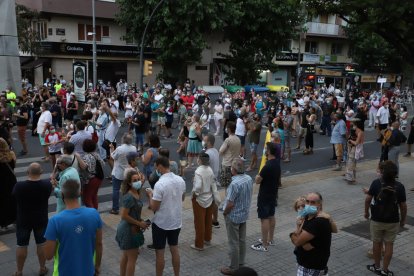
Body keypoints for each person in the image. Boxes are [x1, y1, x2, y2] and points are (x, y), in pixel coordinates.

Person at [43, 179, 103, 276]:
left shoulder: (54, 221)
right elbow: (99, 244)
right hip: (88, 271)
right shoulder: (94, 214)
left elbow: (48, 255)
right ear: (80, 193)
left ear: (62, 195)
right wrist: (97, 266)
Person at [365, 161, 407, 276]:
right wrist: (403, 220)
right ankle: (385, 270)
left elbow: (368, 199)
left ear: (382, 172)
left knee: (376, 243)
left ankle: (377, 267)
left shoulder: (376, 183)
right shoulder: (400, 186)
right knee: (389, 244)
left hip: (377, 219)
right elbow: (403, 206)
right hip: (393, 221)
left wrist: (366, 213)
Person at [145, 157, 186, 276]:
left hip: (161, 223)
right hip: (176, 221)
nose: (155, 170)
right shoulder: (180, 180)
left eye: (155, 167)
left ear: (160, 166)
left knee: (160, 253)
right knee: (174, 249)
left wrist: (150, 194)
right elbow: (182, 198)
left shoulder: (160, 184)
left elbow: (154, 207)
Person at [12, 163, 52, 276]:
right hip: (41, 219)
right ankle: (42, 268)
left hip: (23, 219)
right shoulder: (47, 185)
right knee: (41, 244)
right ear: (41, 172)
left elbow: (14, 196)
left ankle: (19, 271)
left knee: (21, 245)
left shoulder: (19, 186)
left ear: (27, 172)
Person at [220, 158, 253, 275]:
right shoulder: (249, 178)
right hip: (244, 214)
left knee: (233, 242)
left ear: (233, 169)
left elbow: (230, 203)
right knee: (242, 240)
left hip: (233, 216)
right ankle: (241, 263)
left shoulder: (234, 183)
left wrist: (224, 212)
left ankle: (233, 267)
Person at [290, 192, 332, 276]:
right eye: (307, 202)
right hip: (308, 265)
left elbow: (297, 242)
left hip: (311, 268)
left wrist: (291, 235)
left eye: (312, 202)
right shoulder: (307, 217)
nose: (308, 205)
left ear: (319, 204)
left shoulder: (318, 221)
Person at [116, 169, 149, 276]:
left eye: (139, 179)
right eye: (135, 180)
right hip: (128, 231)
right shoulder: (129, 196)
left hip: (130, 228)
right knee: (132, 259)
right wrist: (139, 223)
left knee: (126, 256)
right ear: (129, 183)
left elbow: (133, 214)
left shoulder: (136, 192)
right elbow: (124, 215)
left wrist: (140, 221)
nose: (138, 181)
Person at [251, 142, 280, 252]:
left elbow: (258, 181)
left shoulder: (267, 166)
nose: (264, 150)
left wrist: (257, 177)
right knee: (271, 216)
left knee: (264, 219)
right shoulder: (277, 164)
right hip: (273, 194)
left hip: (264, 195)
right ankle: (270, 239)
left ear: (268, 151)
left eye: (266, 149)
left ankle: (264, 244)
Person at [191, 153, 217, 251]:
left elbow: (197, 186)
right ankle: (207, 239)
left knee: (199, 222)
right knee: (208, 220)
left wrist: (194, 193)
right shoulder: (209, 169)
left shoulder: (198, 171)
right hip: (209, 197)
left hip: (200, 199)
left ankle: (199, 244)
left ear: (200, 160)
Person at [110, 133, 137, 215]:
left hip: (118, 172)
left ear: (123, 139)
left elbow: (113, 157)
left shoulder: (120, 148)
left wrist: (111, 149)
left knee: (116, 190)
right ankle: (128, 207)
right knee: (128, 190)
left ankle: (115, 208)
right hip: (128, 172)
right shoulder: (134, 148)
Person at [79, 139, 105, 209]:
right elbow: (103, 163)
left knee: (87, 198)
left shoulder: (86, 157)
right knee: (94, 196)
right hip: (99, 178)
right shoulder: (96, 154)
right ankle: (95, 213)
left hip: (91, 179)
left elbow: (85, 167)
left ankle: (92, 215)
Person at [203, 134, 220, 228]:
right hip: (215, 179)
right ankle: (215, 220)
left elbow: (203, 167)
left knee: (208, 202)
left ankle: (208, 222)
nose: (203, 142)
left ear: (209, 142)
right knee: (214, 201)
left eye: (204, 140)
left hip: (208, 181)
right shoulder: (215, 151)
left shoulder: (207, 154)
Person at [0, 137, 17, 229]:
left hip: (1, 182)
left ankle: (3, 223)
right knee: (11, 200)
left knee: (2, 201)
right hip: (10, 180)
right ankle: (14, 219)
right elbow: (14, 165)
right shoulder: (11, 154)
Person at [219, 121, 241, 190]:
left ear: (228, 129)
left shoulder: (228, 140)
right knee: (234, 185)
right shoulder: (238, 139)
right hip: (235, 165)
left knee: (227, 187)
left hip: (227, 165)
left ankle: (228, 200)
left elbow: (220, 151)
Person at [344, 119, 365, 183]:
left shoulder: (360, 132)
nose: (351, 124)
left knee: (351, 163)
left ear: (356, 124)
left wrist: (350, 141)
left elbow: (356, 143)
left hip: (355, 148)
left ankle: (350, 178)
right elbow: (347, 137)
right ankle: (350, 177)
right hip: (351, 147)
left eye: (352, 123)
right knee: (350, 162)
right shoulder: (353, 130)